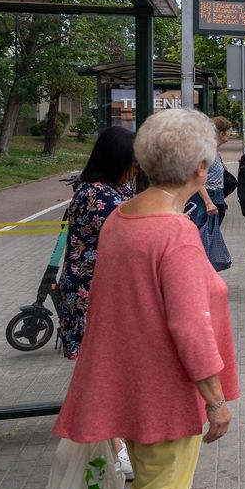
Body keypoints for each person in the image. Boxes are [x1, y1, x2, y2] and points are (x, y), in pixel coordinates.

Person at [53, 108, 238, 489]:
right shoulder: (174, 232)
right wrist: (215, 401)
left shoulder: (124, 217)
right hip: (166, 395)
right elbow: (190, 328)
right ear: (200, 169)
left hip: (131, 385)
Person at [58, 126, 137, 361]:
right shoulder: (95, 194)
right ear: (116, 162)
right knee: (100, 361)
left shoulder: (117, 188)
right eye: (132, 163)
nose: (137, 169)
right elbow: (128, 233)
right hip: (90, 288)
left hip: (103, 285)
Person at [187, 116, 232, 227]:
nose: (230, 133)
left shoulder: (214, 151)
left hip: (215, 196)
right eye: (228, 130)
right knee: (205, 236)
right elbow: (197, 178)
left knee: (210, 235)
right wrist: (208, 203)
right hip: (207, 198)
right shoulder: (207, 152)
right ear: (221, 133)